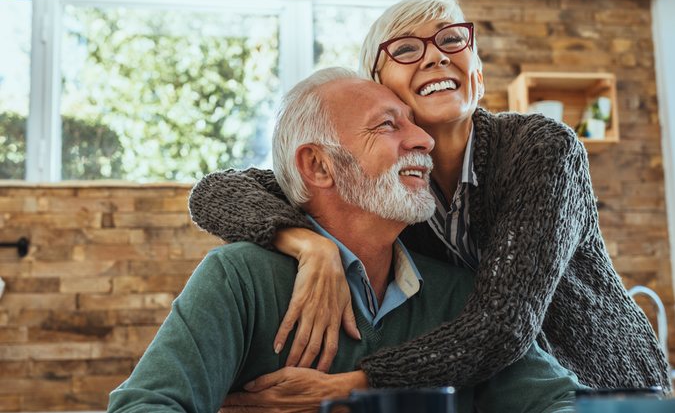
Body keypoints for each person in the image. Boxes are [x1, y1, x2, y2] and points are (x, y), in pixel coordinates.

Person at [189, 0, 671, 394]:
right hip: (497, 394)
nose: (436, 56)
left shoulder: (542, 149)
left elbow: (502, 325)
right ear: (379, 90)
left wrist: (356, 384)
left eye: (451, 39)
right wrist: (307, 243)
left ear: (476, 73)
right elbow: (216, 191)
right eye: (405, 49)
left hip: (603, 388)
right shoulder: (385, 187)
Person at [108, 67, 584, 413]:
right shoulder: (240, 279)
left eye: (413, 124)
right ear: (318, 166)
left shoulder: (459, 293)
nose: (424, 140)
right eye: (388, 125)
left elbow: (559, 404)